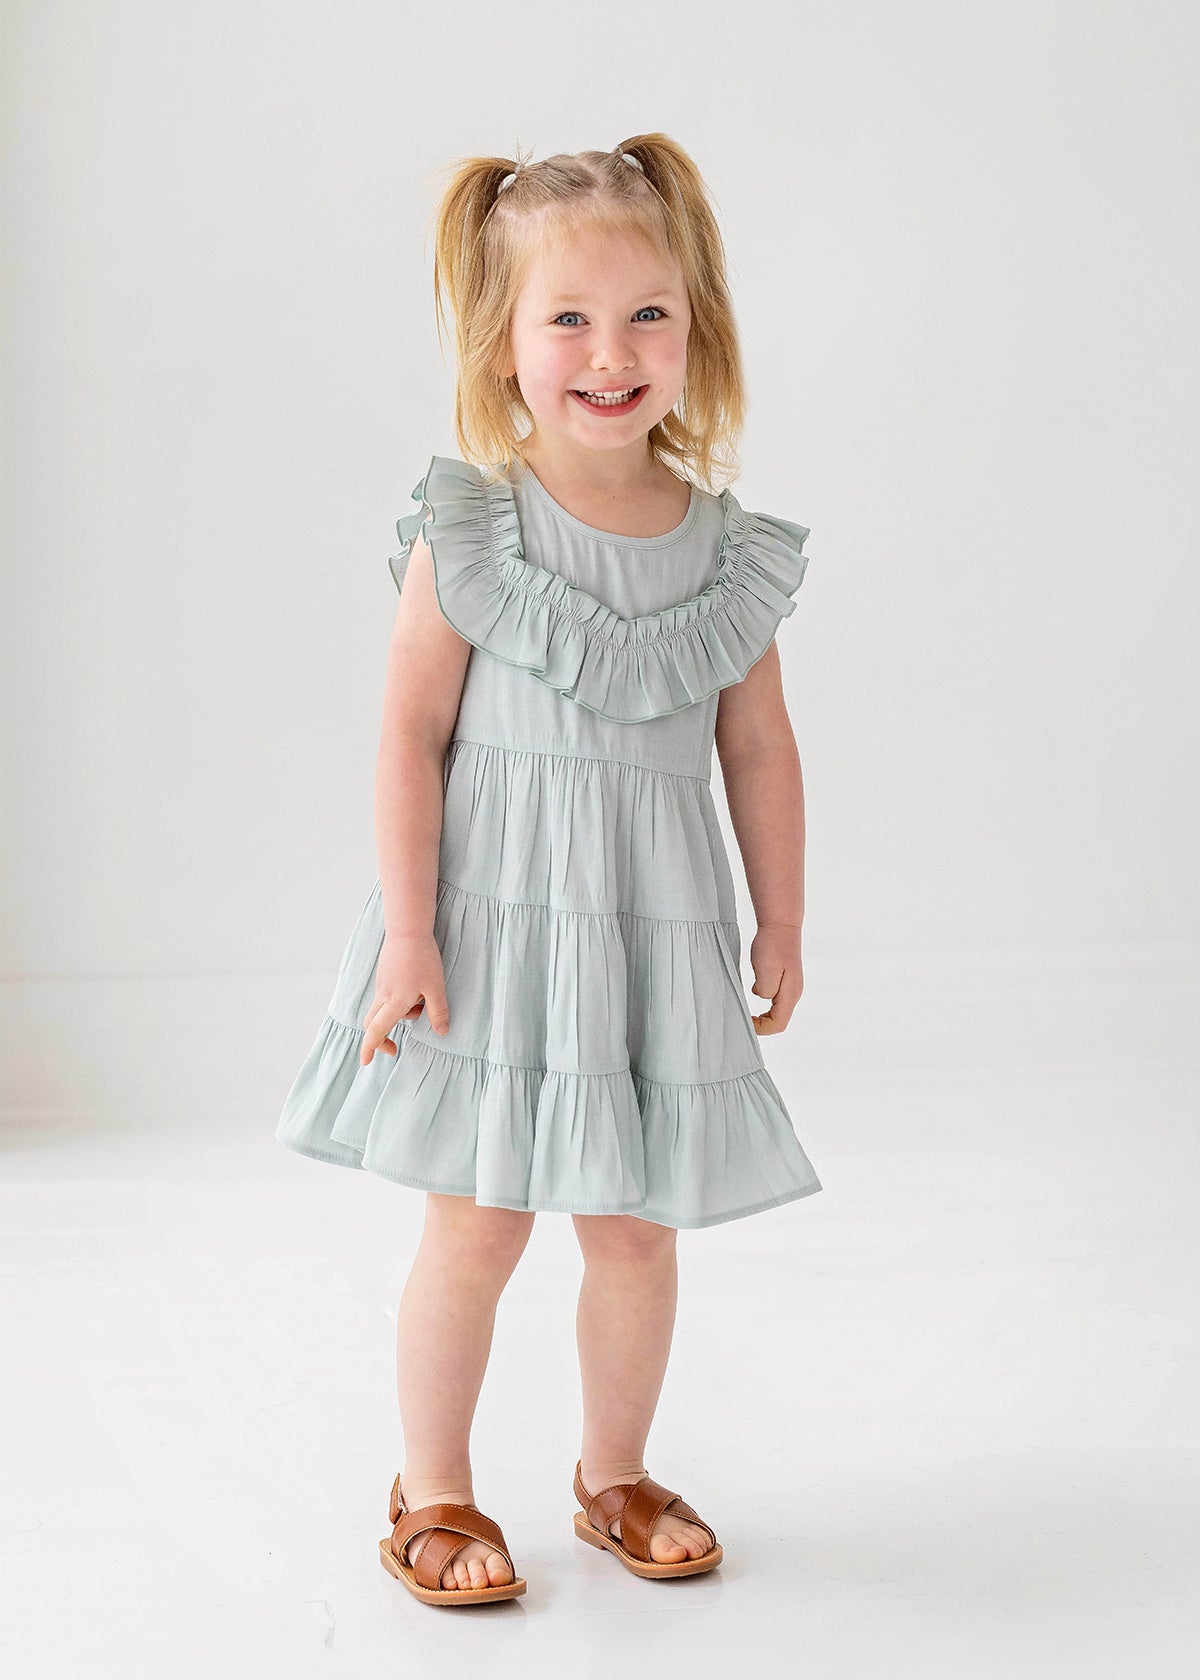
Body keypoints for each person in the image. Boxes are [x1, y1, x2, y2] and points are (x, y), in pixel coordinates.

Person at [276, 132, 823, 1607]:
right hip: (495, 935)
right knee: (479, 1220)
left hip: (646, 939)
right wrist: (407, 932)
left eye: (648, 312)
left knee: (635, 1228)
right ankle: (433, 1487)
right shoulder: (475, 527)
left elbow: (757, 749)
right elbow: (407, 735)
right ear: (504, 344)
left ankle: (614, 1470)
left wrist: (778, 915)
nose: (610, 352)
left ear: (695, 324)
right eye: (567, 319)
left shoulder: (722, 552)